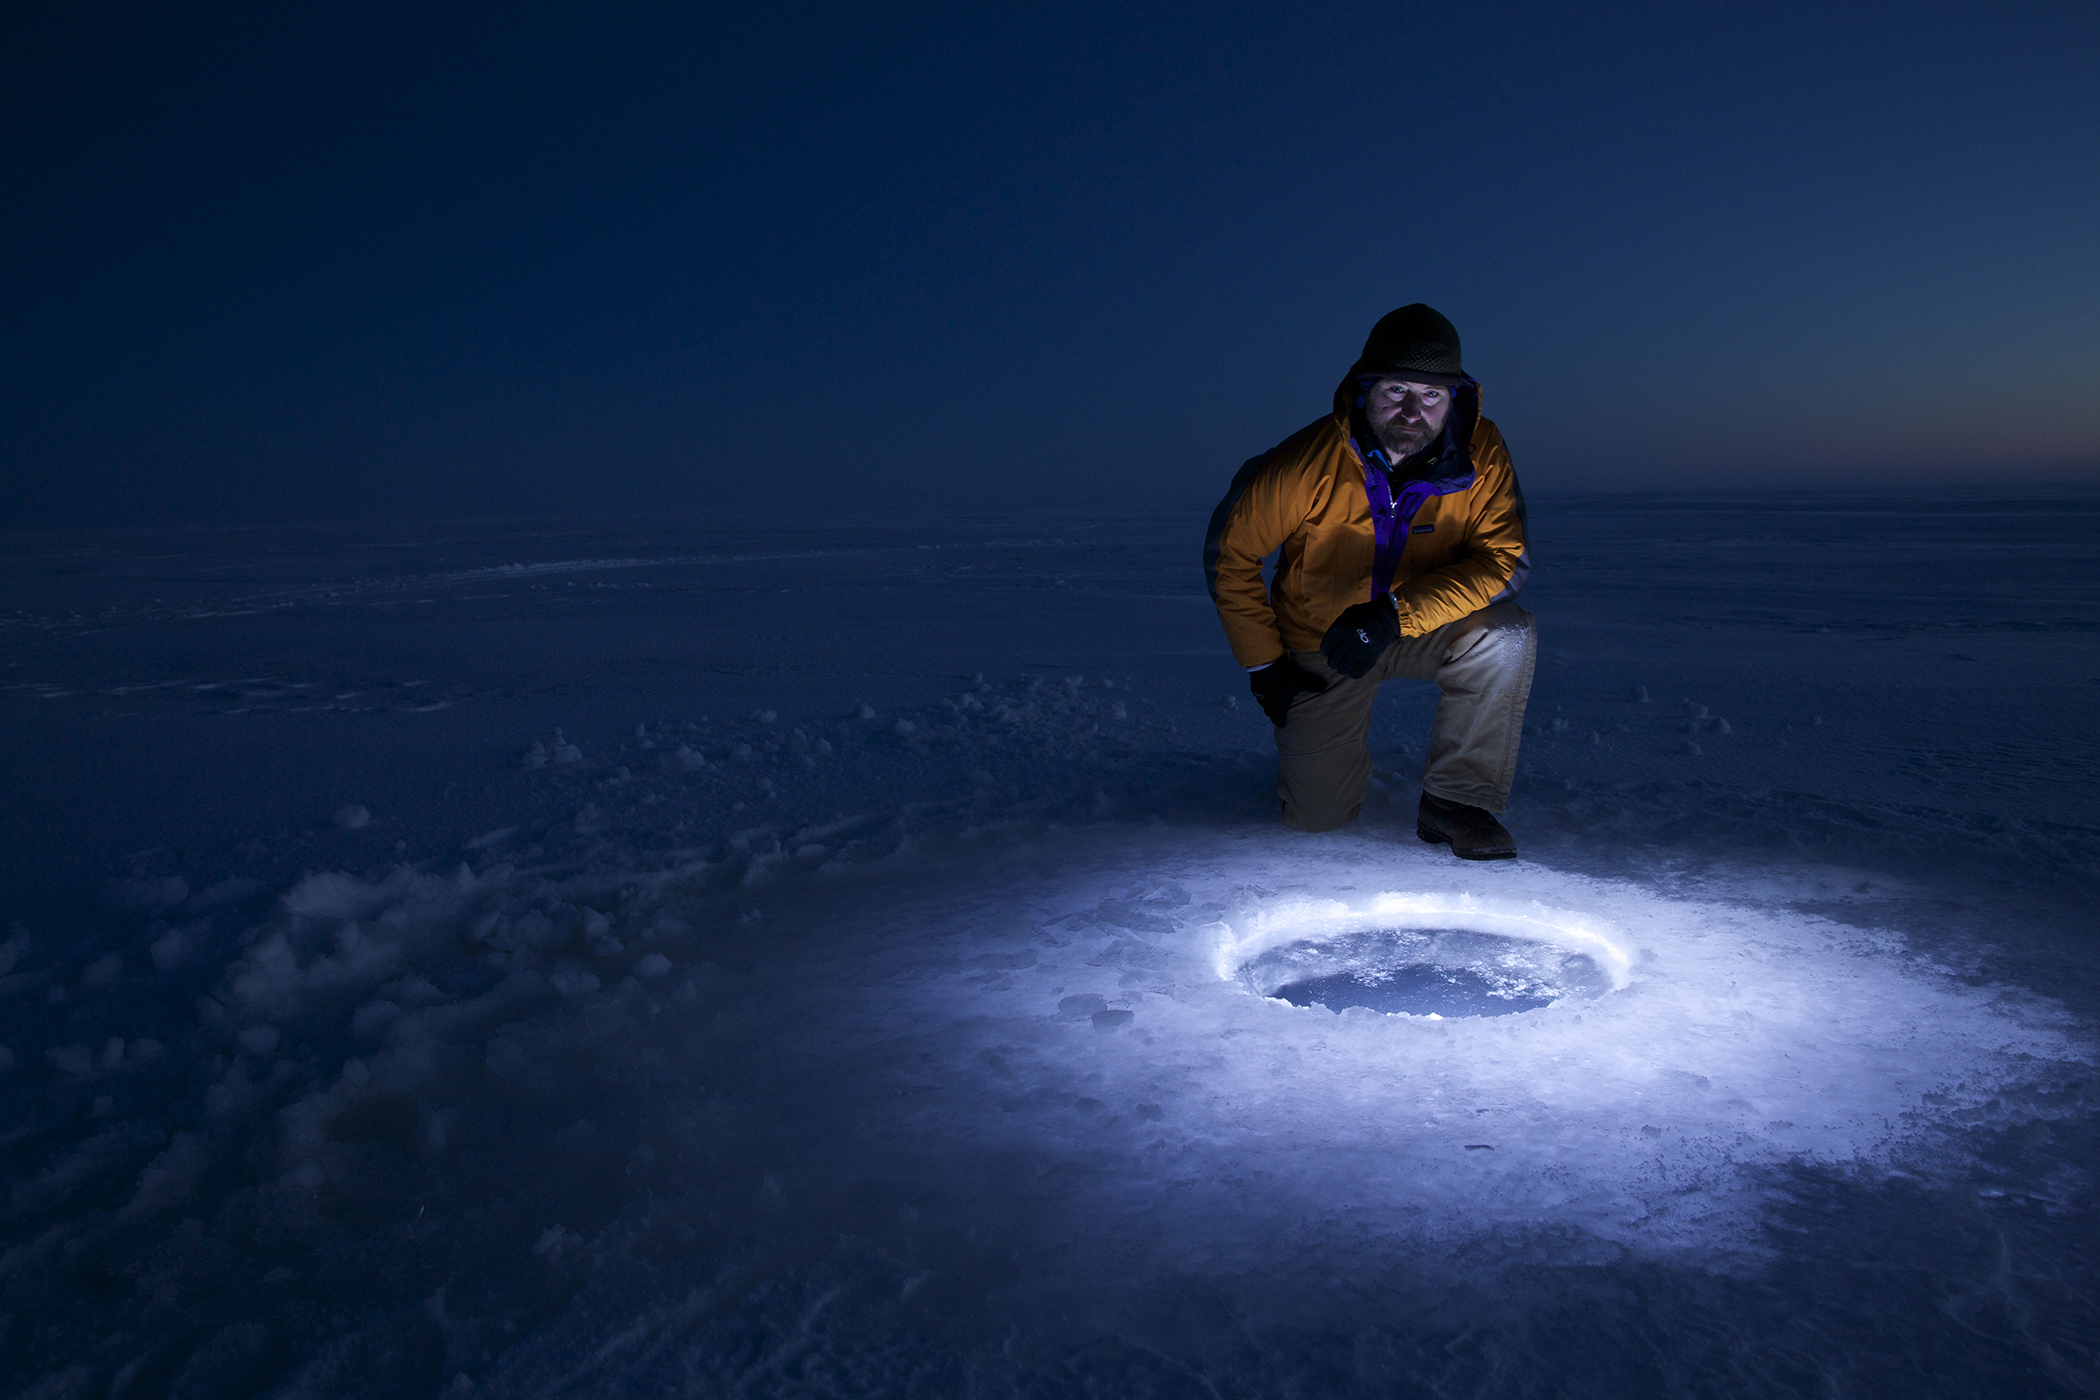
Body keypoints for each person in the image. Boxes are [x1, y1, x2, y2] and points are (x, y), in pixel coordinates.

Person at [1203, 303, 1536, 859]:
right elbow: (1230, 554)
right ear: (1364, 388)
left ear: (1455, 397)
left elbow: (1504, 561)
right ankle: (1315, 764)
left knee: (1505, 636)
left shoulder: (1483, 453)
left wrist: (1393, 616)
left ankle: (1455, 802)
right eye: (1396, 391)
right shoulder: (1301, 463)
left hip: (1416, 626)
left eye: (1431, 395)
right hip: (1325, 640)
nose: (1413, 410)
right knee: (1316, 820)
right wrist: (1264, 664)